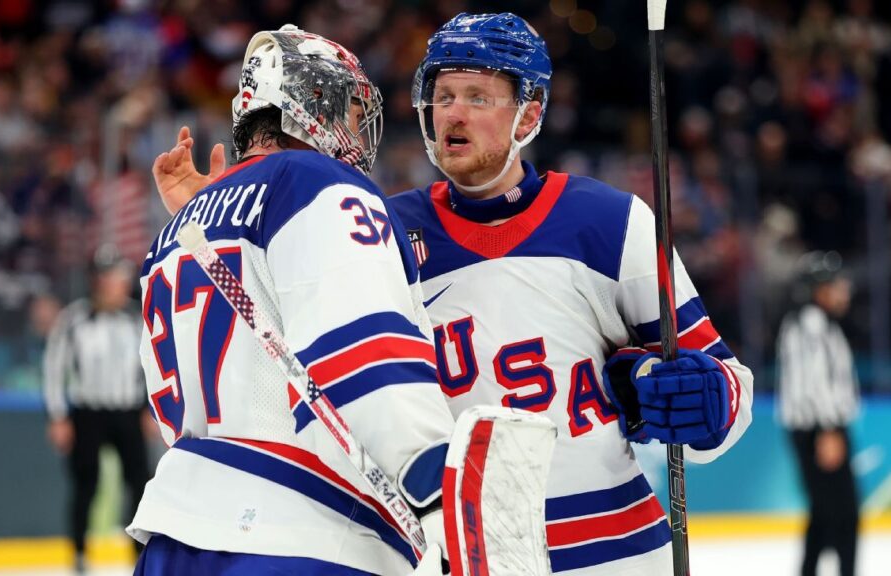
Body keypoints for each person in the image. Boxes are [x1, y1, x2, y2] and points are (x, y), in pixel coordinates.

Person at [151, 13, 754, 574]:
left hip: (614, 550)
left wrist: (710, 403)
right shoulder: (378, 227)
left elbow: (723, 382)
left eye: (477, 97)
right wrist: (233, 225)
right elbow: (292, 365)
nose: (453, 114)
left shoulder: (614, 221)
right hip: (459, 549)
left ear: (527, 114)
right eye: (442, 97)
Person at [128, 26, 453, 576]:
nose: (358, 131)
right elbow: (368, 359)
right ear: (311, 105)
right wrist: (443, 496)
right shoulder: (320, 184)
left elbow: (173, 401)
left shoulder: (176, 229)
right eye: (351, 112)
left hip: (175, 536)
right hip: (305, 531)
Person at [43, 247, 150, 574]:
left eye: (118, 276)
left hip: (129, 410)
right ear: (95, 280)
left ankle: (138, 553)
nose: (113, 283)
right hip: (88, 412)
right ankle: (78, 552)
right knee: (85, 483)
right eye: (107, 276)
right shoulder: (73, 319)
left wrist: (152, 409)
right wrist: (58, 416)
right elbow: (53, 368)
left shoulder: (137, 318)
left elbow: (153, 366)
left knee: (140, 483)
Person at [776, 251, 860, 576]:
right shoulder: (811, 326)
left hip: (820, 429)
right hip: (820, 429)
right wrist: (830, 430)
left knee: (825, 513)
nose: (845, 291)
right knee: (844, 514)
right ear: (819, 288)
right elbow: (815, 384)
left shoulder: (816, 324)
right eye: (838, 284)